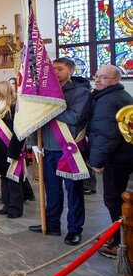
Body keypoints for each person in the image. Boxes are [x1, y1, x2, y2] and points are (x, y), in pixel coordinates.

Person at [28, 57, 91, 246]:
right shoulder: (46, 91)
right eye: (53, 68)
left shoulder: (81, 92)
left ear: (70, 71)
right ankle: (52, 223)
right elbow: (36, 119)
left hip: (69, 149)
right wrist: (34, 142)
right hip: (48, 148)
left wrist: (52, 108)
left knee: (74, 192)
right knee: (52, 190)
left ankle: (74, 229)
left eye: (60, 69)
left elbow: (75, 117)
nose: (55, 72)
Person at [88, 65, 133, 258]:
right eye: (96, 76)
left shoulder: (108, 100)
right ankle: (118, 235)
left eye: (103, 77)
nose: (98, 80)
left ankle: (119, 243)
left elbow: (105, 134)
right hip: (124, 154)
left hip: (116, 158)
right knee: (117, 199)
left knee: (113, 200)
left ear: (116, 80)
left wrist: (97, 161)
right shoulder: (119, 95)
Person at [0, 81, 26, 218]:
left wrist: (14, 151)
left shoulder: (14, 107)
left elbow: (19, 131)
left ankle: (15, 208)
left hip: (11, 148)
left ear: (3, 91)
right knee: (4, 177)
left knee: (14, 179)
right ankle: (6, 204)